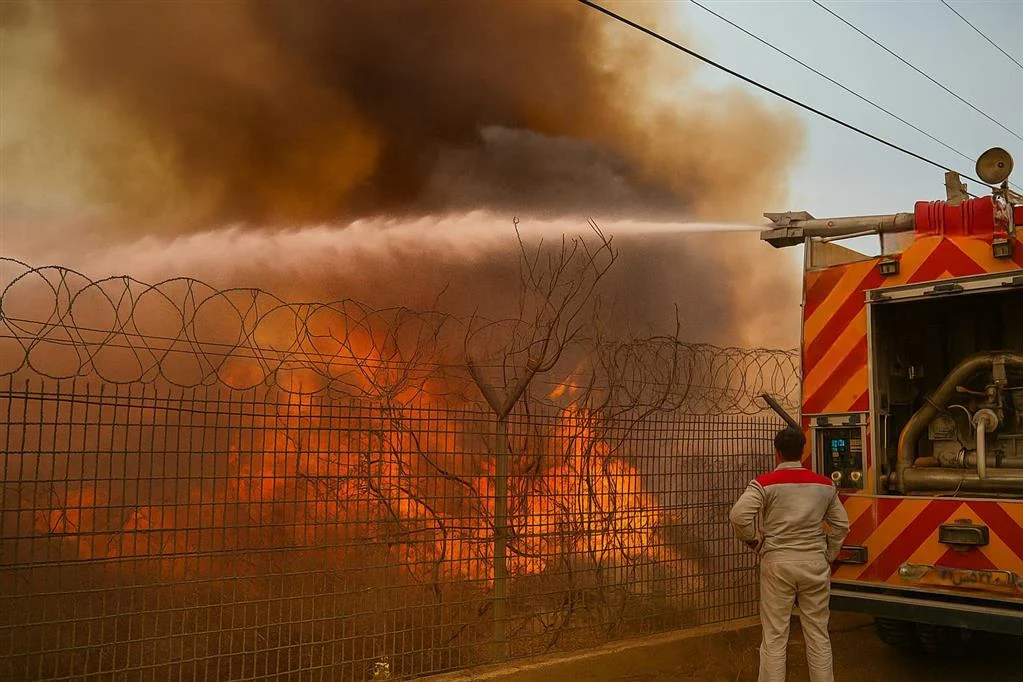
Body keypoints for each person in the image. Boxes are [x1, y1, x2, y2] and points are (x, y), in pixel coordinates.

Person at [729, 426, 850, 682]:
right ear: (802, 452)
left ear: (777, 453)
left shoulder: (763, 484)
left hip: (777, 563)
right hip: (815, 563)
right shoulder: (825, 485)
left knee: (774, 638)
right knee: (818, 634)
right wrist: (829, 553)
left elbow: (739, 516)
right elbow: (841, 525)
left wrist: (754, 542)